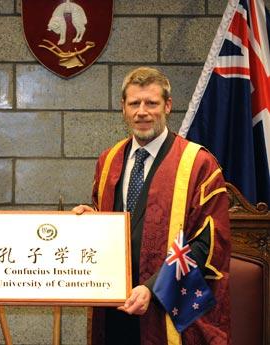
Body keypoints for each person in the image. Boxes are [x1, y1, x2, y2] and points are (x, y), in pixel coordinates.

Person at [73, 67, 231, 344]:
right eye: (134, 103)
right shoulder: (108, 160)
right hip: (115, 304)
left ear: (168, 106)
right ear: (123, 108)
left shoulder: (198, 163)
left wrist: (152, 288)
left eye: (151, 103)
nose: (142, 112)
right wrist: (92, 221)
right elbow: (118, 225)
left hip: (169, 303)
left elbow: (208, 243)